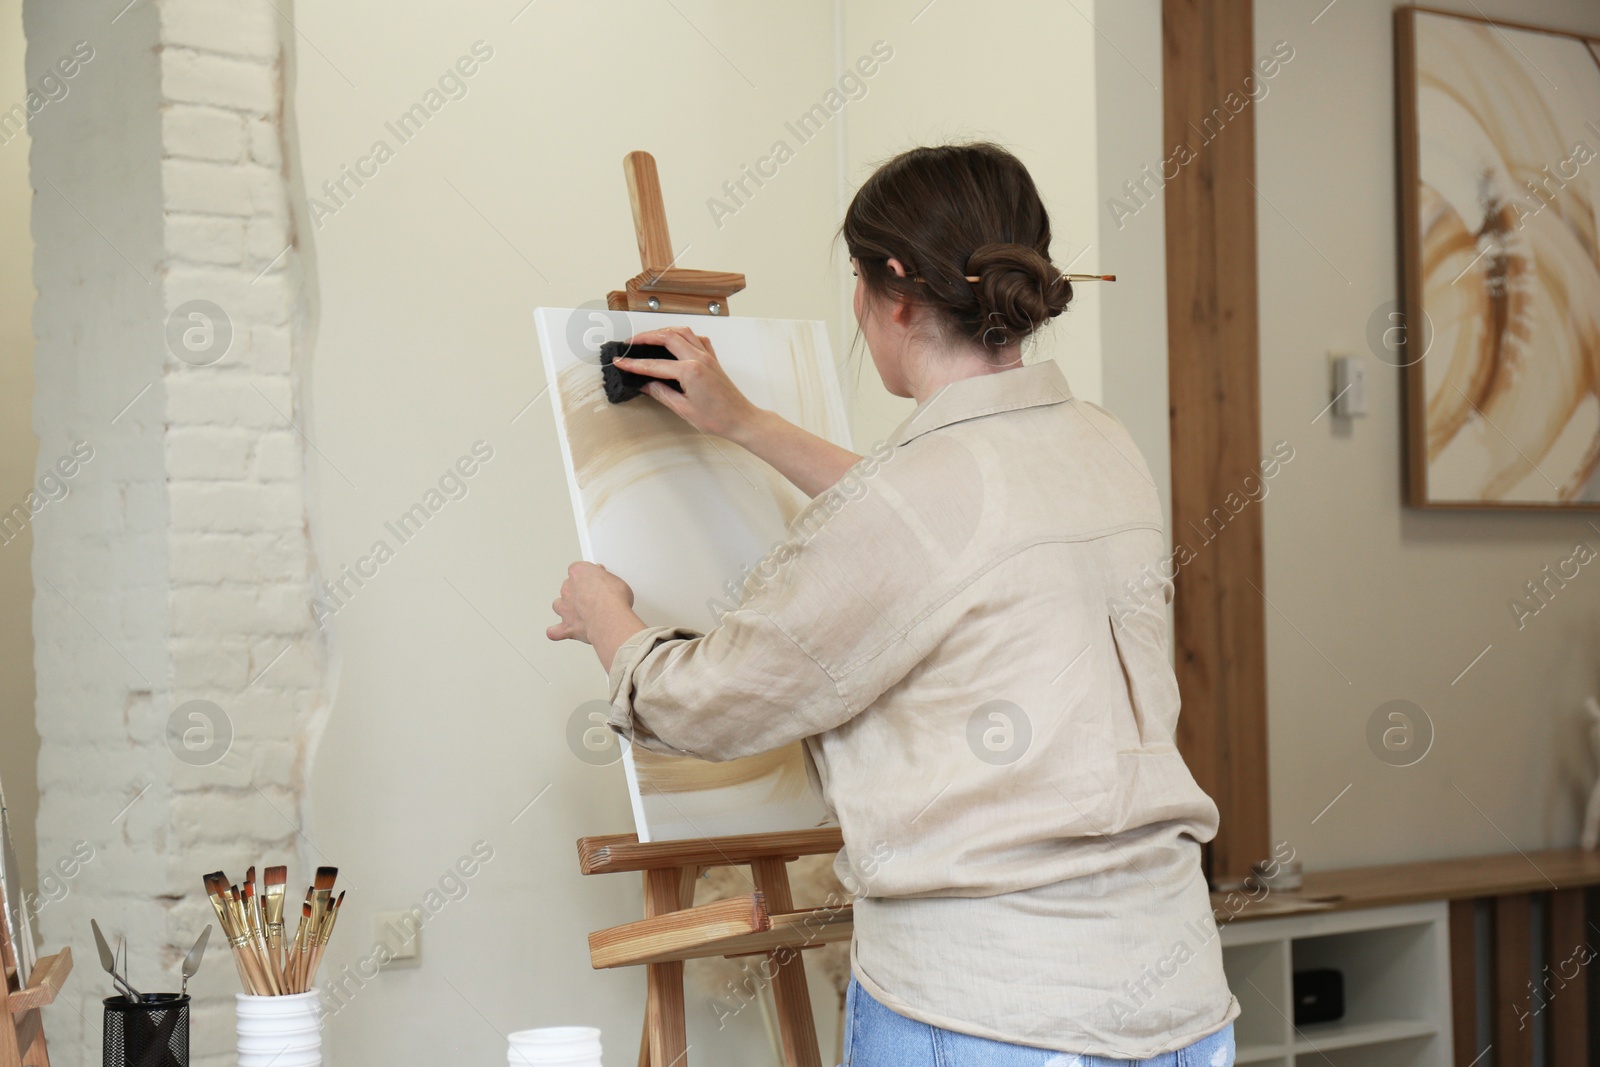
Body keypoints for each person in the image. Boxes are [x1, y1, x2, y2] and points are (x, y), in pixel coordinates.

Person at [548, 143, 1238, 1066]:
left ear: (896, 290)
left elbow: (716, 700)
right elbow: (950, 536)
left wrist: (611, 625)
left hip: (993, 1013)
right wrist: (744, 422)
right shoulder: (1101, 445)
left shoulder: (917, 501)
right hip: (1181, 1000)